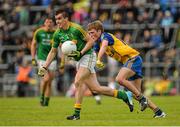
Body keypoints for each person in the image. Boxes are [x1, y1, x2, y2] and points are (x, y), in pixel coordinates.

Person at [38, 8, 133, 120]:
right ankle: (124, 95)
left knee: (78, 81)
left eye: (59, 19)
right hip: (79, 60)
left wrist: (81, 52)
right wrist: (45, 66)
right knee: (96, 89)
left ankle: (76, 114)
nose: (57, 21)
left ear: (66, 19)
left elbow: (91, 41)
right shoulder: (57, 34)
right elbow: (53, 51)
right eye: (56, 19)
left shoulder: (76, 29)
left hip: (88, 56)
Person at [87, 20, 166, 118]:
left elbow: (104, 46)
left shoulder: (105, 36)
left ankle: (142, 99)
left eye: (92, 32)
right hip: (132, 61)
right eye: (89, 33)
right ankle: (158, 112)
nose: (90, 35)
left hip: (133, 58)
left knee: (119, 79)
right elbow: (92, 52)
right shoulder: (97, 43)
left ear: (99, 31)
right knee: (136, 93)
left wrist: (99, 59)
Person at [31, 17, 56, 106]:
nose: (49, 24)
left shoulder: (55, 33)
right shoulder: (39, 32)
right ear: (44, 23)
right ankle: (41, 97)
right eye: (47, 22)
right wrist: (33, 58)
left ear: (53, 23)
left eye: (50, 22)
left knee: (49, 82)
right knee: (46, 79)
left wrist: (63, 62)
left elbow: (60, 47)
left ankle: (46, 101)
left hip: (53, 60)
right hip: (41, 58)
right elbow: (33, 45)